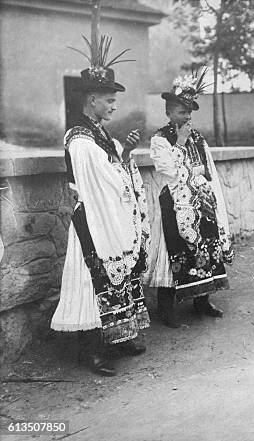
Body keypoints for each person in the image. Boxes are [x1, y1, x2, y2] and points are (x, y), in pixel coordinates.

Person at [51, 35, 150, 375]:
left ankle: (120, 336)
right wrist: (120, 167)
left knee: (118, 275)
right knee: (93, 277)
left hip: (108, 212)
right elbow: (99, 180)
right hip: (93, 216)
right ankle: (90, 349)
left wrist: (123, 155)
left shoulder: (100, 133)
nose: (114, 107)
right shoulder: (79, 137)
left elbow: (111, 168)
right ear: (91, 100)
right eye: (109, 101)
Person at [146, 69, 234, 328]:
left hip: (200, 201)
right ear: (169, 112)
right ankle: (166, 308)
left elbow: (206, 168)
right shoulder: (160, 139)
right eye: (181, 111)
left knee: (205, 248)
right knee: (173, 252)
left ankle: (202, 300)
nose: (186, 117)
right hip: (174, 203)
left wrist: (206, 188)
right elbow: (168, 171)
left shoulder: (198, 138)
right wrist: (180, 143)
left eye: (189, 112)